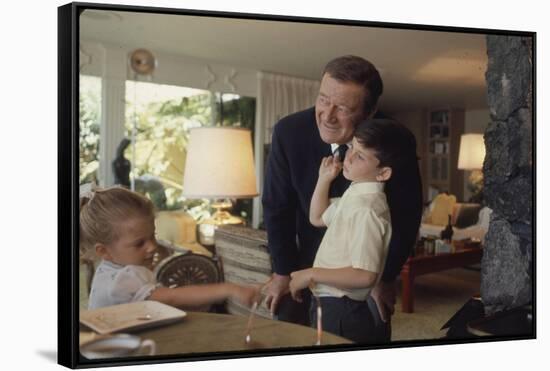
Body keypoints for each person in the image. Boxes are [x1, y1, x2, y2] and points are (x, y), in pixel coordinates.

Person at [262, 55, 423, 340]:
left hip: (361, 280)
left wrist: (383, 276)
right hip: (301, 266)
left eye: (343, 108)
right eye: (323, 99)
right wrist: (282, 272)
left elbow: (407, 215)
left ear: (369, 112)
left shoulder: (395, 140)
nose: (327, 115)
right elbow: (277, 207)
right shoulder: (289, 132)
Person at [289, 118, 411, 343]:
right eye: (352, 147)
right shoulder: (357, 193)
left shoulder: (367, 209)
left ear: (383, 173)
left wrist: (310, 274)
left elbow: (364, 275)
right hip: (329, 303)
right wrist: (324, 179)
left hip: (342, 309)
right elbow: (317, 217)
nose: (349, 157)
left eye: (361, 156)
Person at [80, 186, 259, 310]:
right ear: (104, 251)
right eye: (139, 243)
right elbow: (173, 298)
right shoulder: (124, 279)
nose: (151, 246)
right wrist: (230, 289)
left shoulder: (109, 269)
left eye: (152, 236)